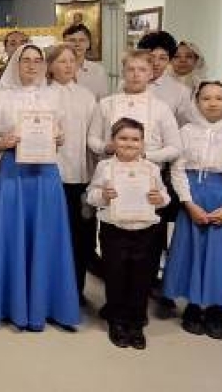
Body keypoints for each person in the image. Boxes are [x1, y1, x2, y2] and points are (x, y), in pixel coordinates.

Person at [0, 44, 80, 331]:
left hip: (45, 174)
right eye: (26, 60)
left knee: (46, 236)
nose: (32, 65)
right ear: (16, 63)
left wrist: (59, 139)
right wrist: (2, 143)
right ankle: (6, 304)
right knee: (10, 235)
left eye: (37, 60)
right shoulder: (0, 97)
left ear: (44, 65)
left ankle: (47, 305)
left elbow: (61, 134)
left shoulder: (54, 95)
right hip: (12, 172)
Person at [88, 49, 182, 319]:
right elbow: (92, 139)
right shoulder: (106, 104)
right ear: (123, 72)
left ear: (151, 73)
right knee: (115, 255)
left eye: (142, 70)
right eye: (130, 69)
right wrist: (108, 147)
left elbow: (175, 147)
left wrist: (144, 156)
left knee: (145, 256)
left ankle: (136, 310)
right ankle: (115, 306)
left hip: (148, 184)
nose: (136, 74)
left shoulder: (161, 107)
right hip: (113, 181)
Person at [87, 117, 170, 349]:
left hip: (145, 231)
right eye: (123, 138)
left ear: (143, 143)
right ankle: (117, 321)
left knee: (141, 278)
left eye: (135, 139)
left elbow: (165, 196)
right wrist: (103, 196)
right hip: (114, 230)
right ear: (113, 141)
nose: (129, 143)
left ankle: (136, 323)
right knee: (115, 276)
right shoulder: (105, 167)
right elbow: (91, 194)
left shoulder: (151, 169)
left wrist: (160, 199)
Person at [163, 81, 222, 340]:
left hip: (220, 197)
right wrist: (188, 203)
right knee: (192, 250)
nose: (213, 103)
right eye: (206, 98)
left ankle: (216, 309)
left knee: (218, 254)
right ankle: (193, 306)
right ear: (197, 102)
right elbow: (177, 169)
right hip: (193, 197)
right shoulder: (186, 131)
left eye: (219, 98)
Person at [46, 44, 98, 305]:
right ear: (50, 66)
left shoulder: (87, 96)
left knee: (82, 237)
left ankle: (76, 290)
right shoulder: (44, 95)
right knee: (56, 236)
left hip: (83, 175)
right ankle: (53, 291)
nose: (68, 65)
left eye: (71, 61)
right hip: (52, 175)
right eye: (61, 61)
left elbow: (94, 136)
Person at [137, 31, 194, 126]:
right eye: (151, 57)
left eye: (162, 58)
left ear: (169, 60)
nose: (156, 63)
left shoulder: (181, 91)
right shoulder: (126, 84)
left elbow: (183, 127)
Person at [63, 24, 109, 100]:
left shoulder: (98, 71)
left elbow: (103, 101)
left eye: (82, 40)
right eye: (72, 40)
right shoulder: (54, 70)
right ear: (64, 43)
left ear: (88, 44)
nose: (77, 44)